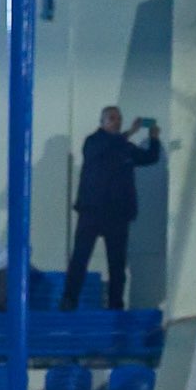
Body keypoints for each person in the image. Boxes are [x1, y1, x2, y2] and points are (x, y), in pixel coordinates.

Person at [61, 106, 161, 312]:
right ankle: (69, 300)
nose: (117, 122)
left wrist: (154, 139)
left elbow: (150, 158)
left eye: (119, 118)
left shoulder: (125, 147)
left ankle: (116, 304)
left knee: (117, 263)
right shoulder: (93, 142)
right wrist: (130, 132)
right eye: (112, 118)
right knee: (80, 257)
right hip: (92, 210)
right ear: (102, 122)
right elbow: (102, 149)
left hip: (117, 214)